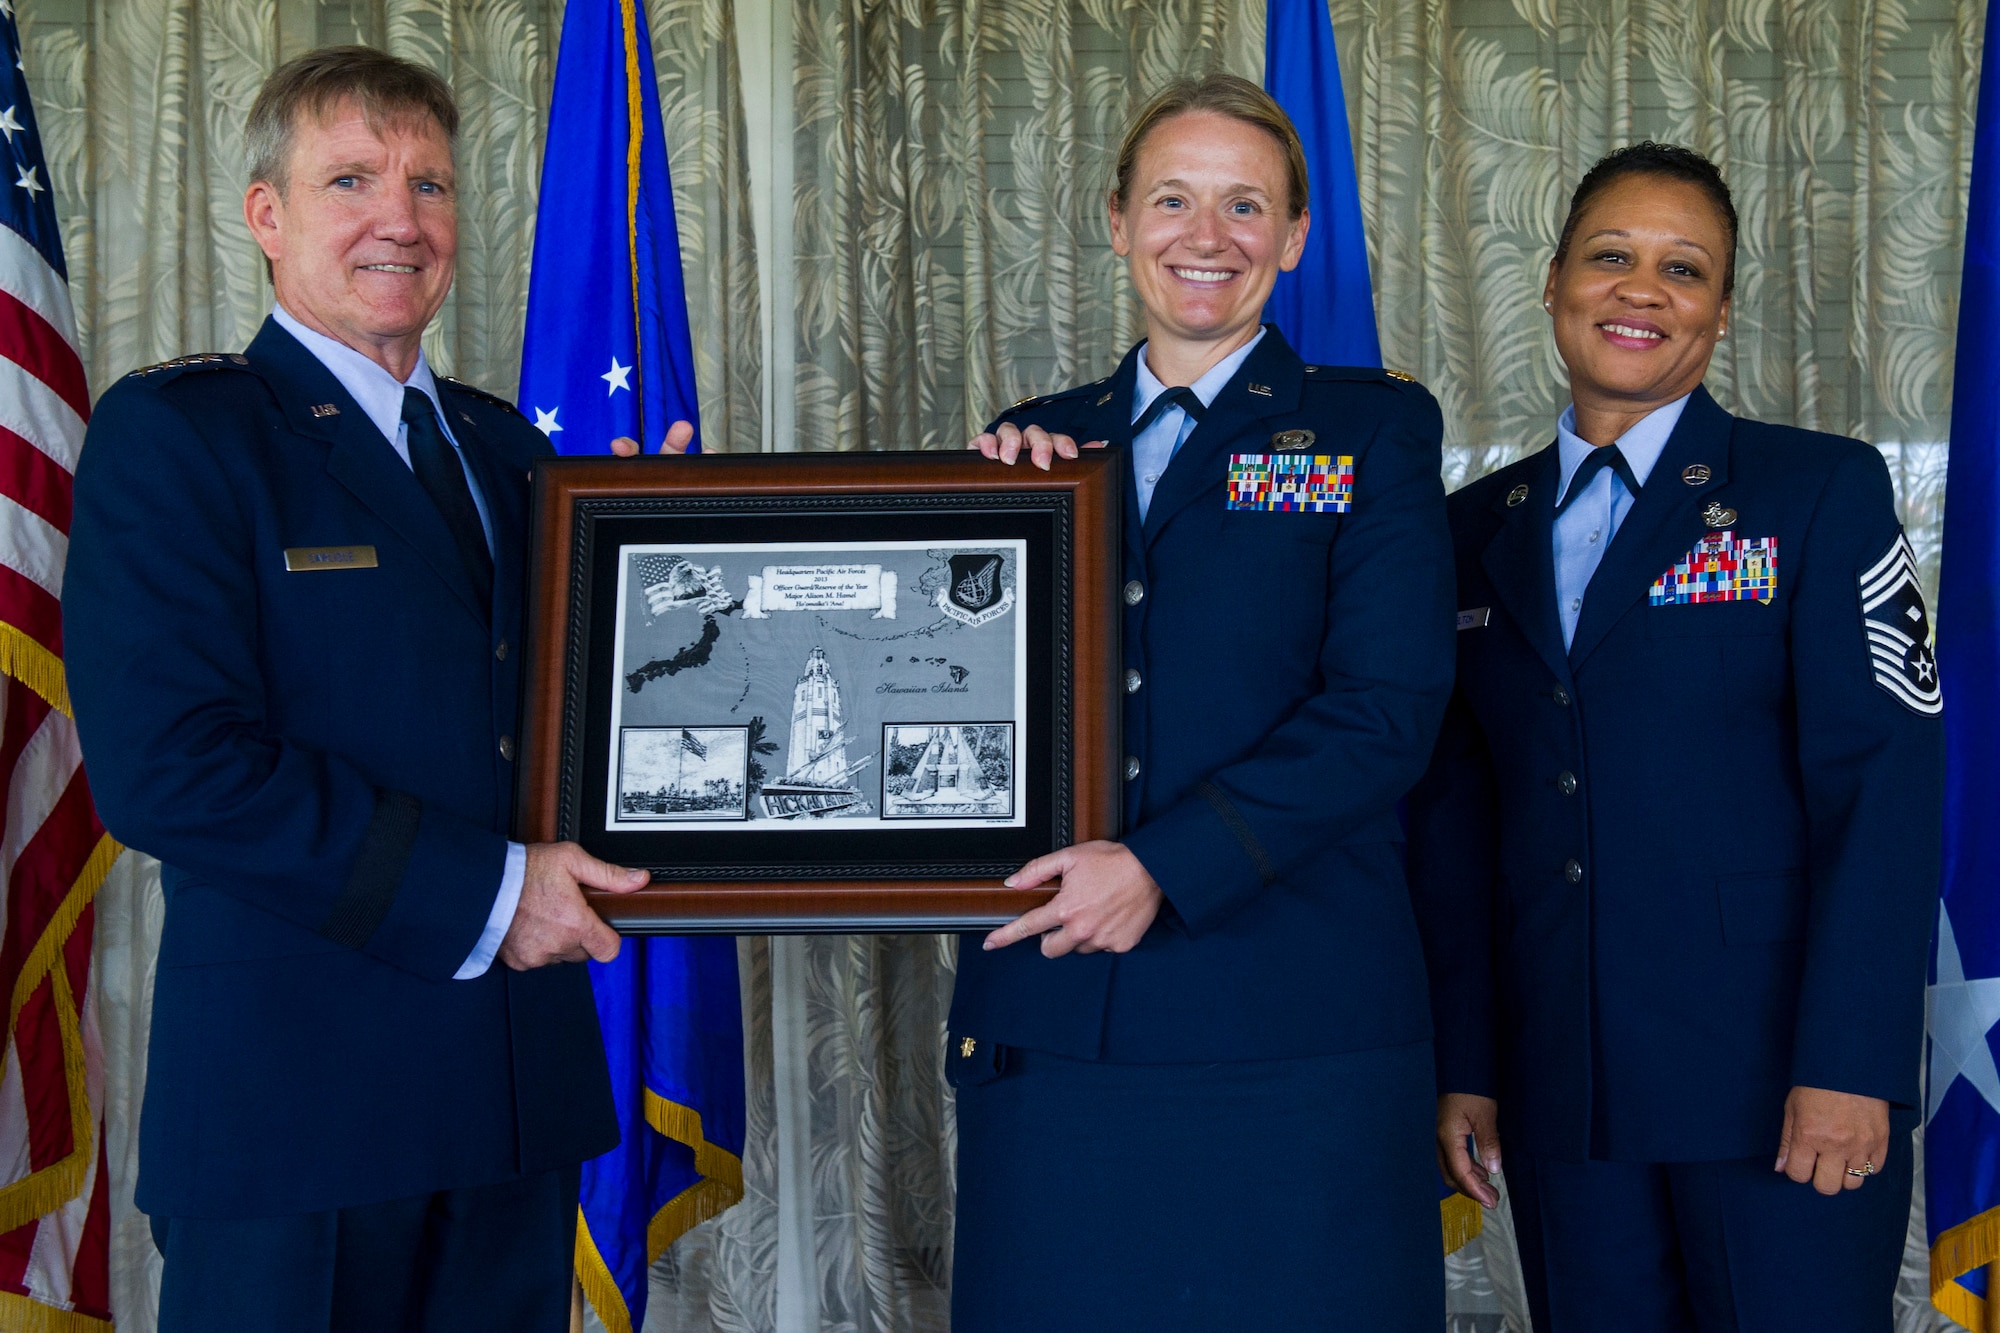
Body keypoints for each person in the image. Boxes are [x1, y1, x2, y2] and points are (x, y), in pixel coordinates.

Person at [63, 47, 687, 1331]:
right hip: (297, 1107)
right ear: (266, 215)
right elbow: (172, 770)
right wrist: (494, 893)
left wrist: (681, 561)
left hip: (512, 1089)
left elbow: (570, 730)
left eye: (430, 185)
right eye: (351, 179)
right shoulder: (183, 436)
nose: (400, 219)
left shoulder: (511, 450)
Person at [1407, 142, 1943, 1331]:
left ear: (1716, 310)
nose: (1639, 290)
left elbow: (1884, 788)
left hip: (1773, 1087)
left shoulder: (1815, 491)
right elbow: (1456, 819)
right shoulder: (1465, 527)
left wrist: (1852, 1062)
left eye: (1681, 268)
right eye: (1609, 257)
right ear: (1551, 284)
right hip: (1564, 1091)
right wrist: (1468, 1058)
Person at [952, 74, 1456, 1330]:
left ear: (1292, 238)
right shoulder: (1032, 446)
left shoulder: (1369, 432)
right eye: (1173, 198)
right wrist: (976, 532)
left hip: (1292, 1025)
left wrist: (1162, 866)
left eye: (1246, 206)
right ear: (1116, 219)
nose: (1206, 235)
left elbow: (1385, 709)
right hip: (1062, 1018)